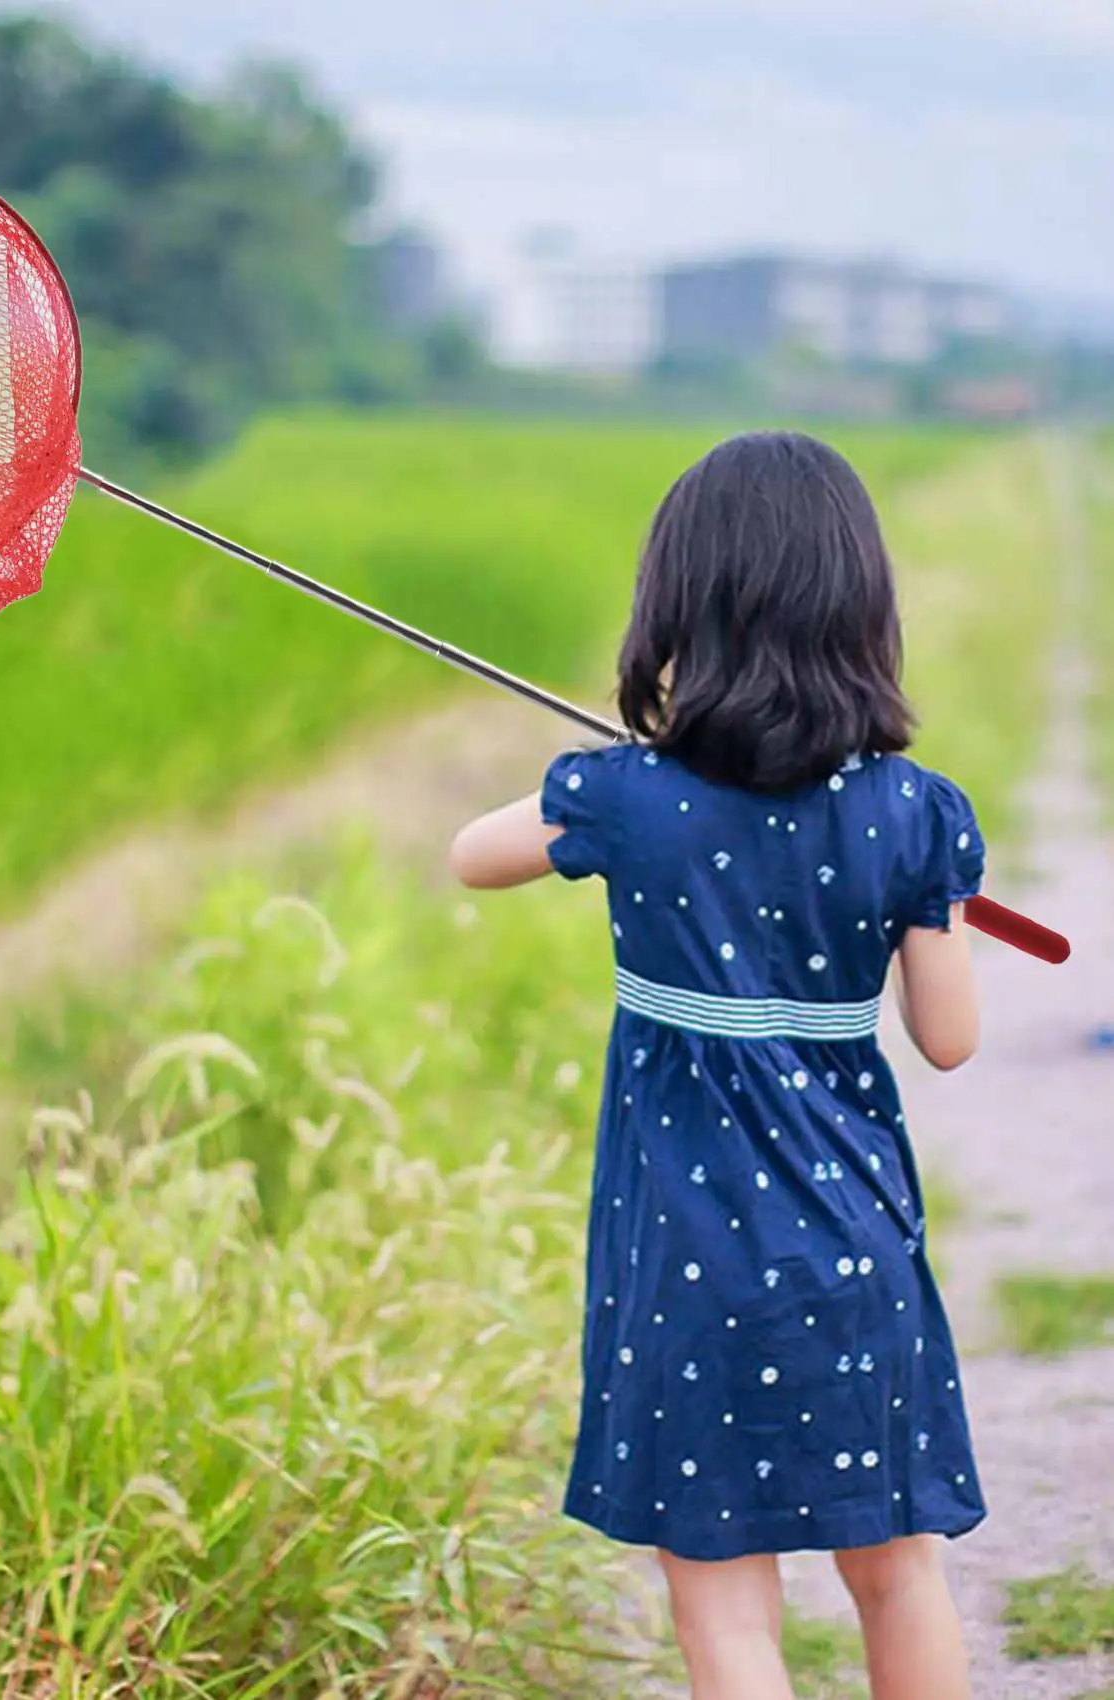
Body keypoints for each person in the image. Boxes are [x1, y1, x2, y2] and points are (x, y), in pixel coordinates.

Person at [449, 432, 982, 1700]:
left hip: (683, 1263)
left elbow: (472, 852)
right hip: (853, 1251)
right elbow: (949, 1040)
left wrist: (623, 773)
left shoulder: (625, 798)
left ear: (676, 610)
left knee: (723, 1605)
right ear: (859, 613)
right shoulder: (914, 810)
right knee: (896, 1571)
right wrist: (940, 891)